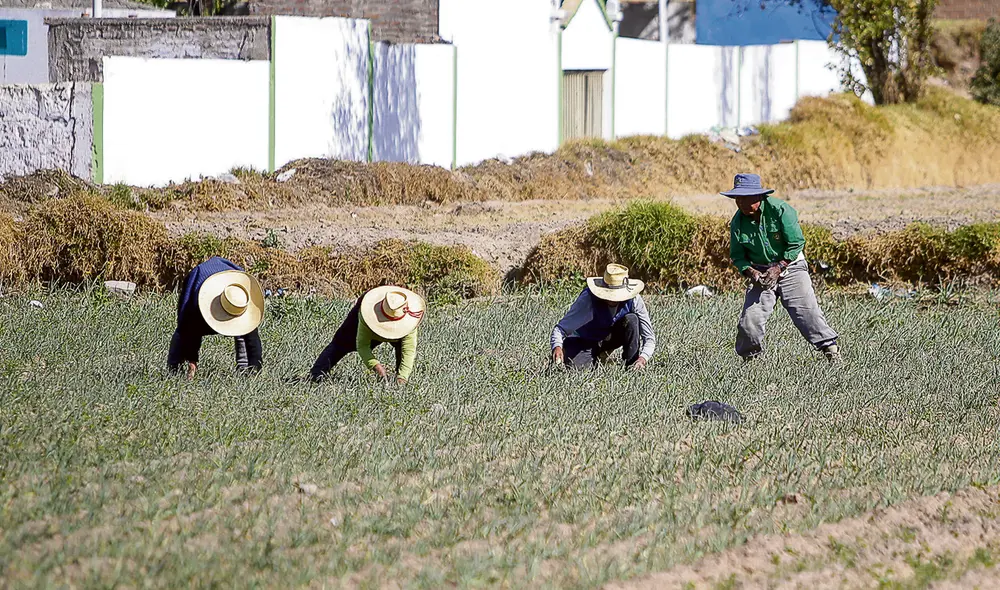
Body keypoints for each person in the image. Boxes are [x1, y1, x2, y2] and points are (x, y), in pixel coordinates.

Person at [722, 173, 841, 362]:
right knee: (749, 321)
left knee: (806, 312)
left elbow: (796, 243)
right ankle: (751, 360)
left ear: (759, 197)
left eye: (746, 199)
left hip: (791, 266)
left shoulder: (781, 210)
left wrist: (778, 267)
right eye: (737, 199)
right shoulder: (738, 222)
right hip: (760, 272)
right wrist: (752, 272)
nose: (741, 204)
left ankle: (831, 351)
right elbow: (738, 257)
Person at [168, 256, 265, 378]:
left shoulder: (241, 297)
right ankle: (172, 370)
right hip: (202, 284)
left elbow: (253, 345)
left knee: (246, 334)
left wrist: (255, 372)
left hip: (230, 282)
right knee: (183, 331)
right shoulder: (198, 305)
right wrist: (191, 362)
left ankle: (244, 370)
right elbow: (189, 332)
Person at [310, 286, 425, 385]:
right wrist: (376, 367)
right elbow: (362, 345)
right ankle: (315, 377)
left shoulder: (407, 320)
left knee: (402, 347)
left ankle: (398, 381)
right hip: (365, 320)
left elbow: (408, 350)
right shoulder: (366, 313)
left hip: (398, 323)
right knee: (341, 343)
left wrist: (402, 378)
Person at [551, 263, 656, 371]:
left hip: (610, 337)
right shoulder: (588, 299)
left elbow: (649, 338)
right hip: (584, 341)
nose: (613, 299)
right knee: (576, 371)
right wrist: (557, 346)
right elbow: (560, 329)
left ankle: (632, 367)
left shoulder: (634, 300)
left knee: (631, 319)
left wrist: (642, 359)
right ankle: (595, 358)